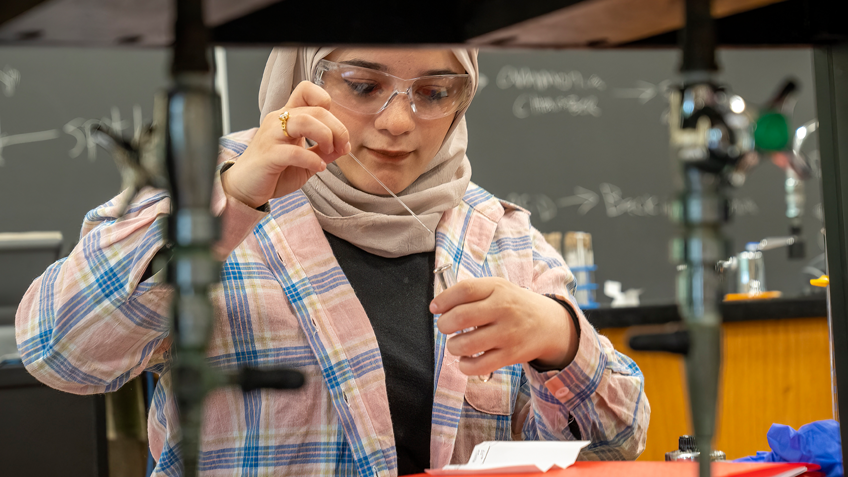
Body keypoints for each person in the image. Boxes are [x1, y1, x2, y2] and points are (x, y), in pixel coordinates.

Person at [16, 47, 649, 476]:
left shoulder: (500, 235)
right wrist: (229, 203)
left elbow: (621, 445)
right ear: (305, 72)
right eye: (364, 85)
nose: (399, 121)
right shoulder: (200, 188)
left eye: (435, 91)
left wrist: (561, 340)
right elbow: (58, 352)